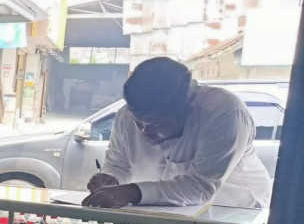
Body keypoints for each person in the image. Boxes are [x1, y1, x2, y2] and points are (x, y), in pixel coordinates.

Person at [84, 57, 272, 209]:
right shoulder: (126, 116)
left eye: (157, 124)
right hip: (168, 221)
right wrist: (111, 179)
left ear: (187, 106)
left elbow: (199, 187)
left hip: (234, 216)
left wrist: (130, 192)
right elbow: (119, 165)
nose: (145, 131)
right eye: (139, 122)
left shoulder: (224, 111)